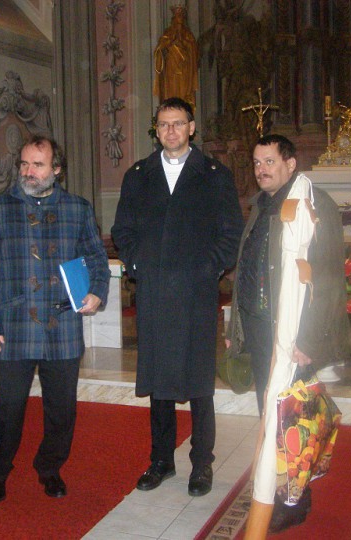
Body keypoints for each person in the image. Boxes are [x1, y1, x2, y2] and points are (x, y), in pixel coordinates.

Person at [112, 97, 244, 497]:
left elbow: (230, 232)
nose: (170, 130)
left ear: (191, 128)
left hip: (195, 292)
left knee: (200, 381)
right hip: (153, 292)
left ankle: (201, 462)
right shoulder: (139, 175)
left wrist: (209, 268)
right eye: (164, 124)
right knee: (159, 380)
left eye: (178, 123)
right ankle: (161, 460)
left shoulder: (214, 175)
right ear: (156, 130)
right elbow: (123, 230)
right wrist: (137, 264)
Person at [225, 134, 351, 537]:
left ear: (291, 164)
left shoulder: (314, 204)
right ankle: (278, 486)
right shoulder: (261, 205)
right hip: (262, 328)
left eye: (270, 161)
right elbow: (248, 268)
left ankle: (294, 499)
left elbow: (327, 278)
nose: (261, 169)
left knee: (292, 421)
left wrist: (309, 340)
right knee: (271, 414)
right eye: (256, 162)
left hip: (292, 332)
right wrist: (237, 326)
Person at [0, 135, 110, 502]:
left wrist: (97, 290)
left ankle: (50, 468)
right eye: (24, 164)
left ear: (56, 169)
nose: (28, 171)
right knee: (9, 406)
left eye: (37, 165)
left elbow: (96, 259)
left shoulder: (78, 209)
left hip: (62, 325)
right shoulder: (0, 209)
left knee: (62, 409)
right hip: (14, 326)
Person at [153, 5, 199, 107]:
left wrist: (184, 44)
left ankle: (183, 108)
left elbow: (194, 53)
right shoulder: (168, 33)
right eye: (177, 17)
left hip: (184, 69)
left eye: (181, 17)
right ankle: (170, 107)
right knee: (171, 92)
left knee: (183, 93)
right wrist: (169, 43)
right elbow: (159, 50)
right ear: (173, 18)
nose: (179, 20)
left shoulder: (188, 35)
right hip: (171, 68)